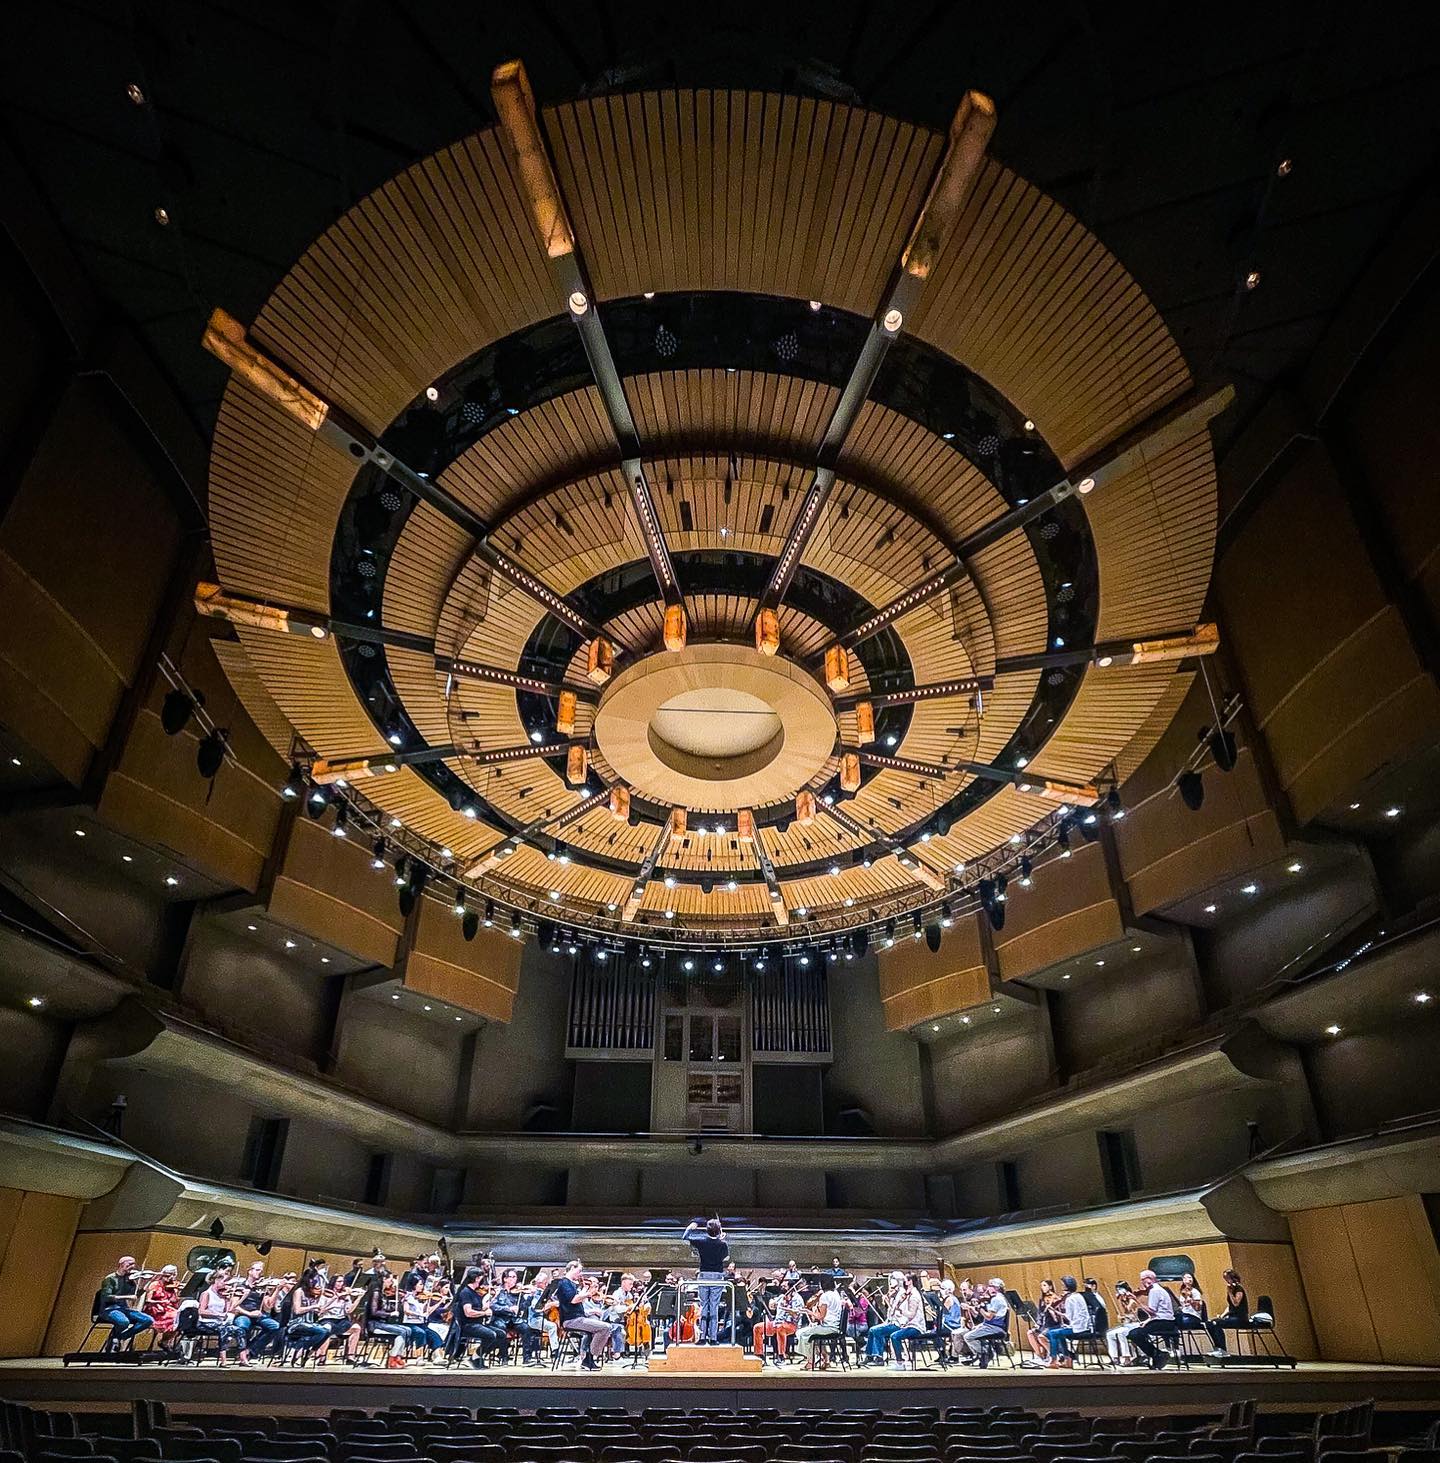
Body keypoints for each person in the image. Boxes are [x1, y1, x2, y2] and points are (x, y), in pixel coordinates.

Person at [555, 1258, 612, 1369]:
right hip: (571, 1320)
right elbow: (573, 1300)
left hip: (578, 1318)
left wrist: (585, 1290)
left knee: (600, 1326)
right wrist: (588, 1294)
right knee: (605, 1327)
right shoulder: (564, 1282)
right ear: (572, 1268)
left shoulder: (572, 1284)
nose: (580, 1274)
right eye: (579, 1271)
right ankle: (589, 1357)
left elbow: (578, 1298)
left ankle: (588, 1357)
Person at [683, 1218, 731, 1344]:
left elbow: (685, 1237)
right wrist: (721, 1239)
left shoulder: (702, 1241)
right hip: (717, 1277)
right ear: (718, 1231)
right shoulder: (723, 1244)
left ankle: (703, 1337)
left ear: (707, 1230)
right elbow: (725, 1257)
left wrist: (690, 1227)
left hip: (704, 1276)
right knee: (714, 1306)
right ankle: (713, 1338)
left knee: (704, 1306)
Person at [868, 1272, 926, 1368]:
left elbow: (909, 1314)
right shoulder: (905, 1294)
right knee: (873, 1330)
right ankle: (871, 1356)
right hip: (903, 1323)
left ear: (909, 1282)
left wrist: (899, 1309)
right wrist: (889, 1301)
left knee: (885, 1333)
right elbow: (894, 1311)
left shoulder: (911, 1295)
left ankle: (891, 1360)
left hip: (909, 1325)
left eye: (904, 1280)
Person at [97, 1256, 153, 1350]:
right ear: (121, 1264)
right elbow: (106, 1297)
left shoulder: (129, 1280)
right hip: (109, 1309)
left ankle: (119, 1337)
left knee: (148, 1320)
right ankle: (116, 1338)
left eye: (134, 1264)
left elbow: (135, 1296)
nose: (132, 1266)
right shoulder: (110, 1279)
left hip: (123, 1309)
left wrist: (143, 1286)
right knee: (124, 1322)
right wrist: (126, 1297)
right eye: (130, 1264)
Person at [1129, 1269, 1180, 1369]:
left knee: (1134, 1334)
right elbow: (1156, 1314)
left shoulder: (1154, 1291)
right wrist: (1147, 1321)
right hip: (1166, 1321)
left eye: (1142, 1279)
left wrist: (1136, 1300)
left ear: (1149, 1279)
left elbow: (1152, 1311)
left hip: (1164, 1322)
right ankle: (1157, 1355)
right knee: (1136, 1332)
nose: (1141, 1282)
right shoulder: (1159, 1289)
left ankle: (1157, 1354)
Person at [958, 1278, 1010, 1365]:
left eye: (990, 1286)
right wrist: (980, 1325)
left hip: (994, 1328)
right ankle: (983, 1353)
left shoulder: (997, 1299)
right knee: (971, 1331)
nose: (988, 1288)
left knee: (968, 1337)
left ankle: (985, 1353)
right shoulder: (998, 1298)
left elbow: (989, 1317)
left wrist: (980, 1308)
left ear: (996, 1288)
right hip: (991, 1326)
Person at [1044, 1275, 1092, 1368]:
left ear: (1067, 1286)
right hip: (1084, 1326)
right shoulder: (1078, 1296)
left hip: (1078, 1328)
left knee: (1052, 1333)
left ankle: (1053, 1360)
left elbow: (1069, 1317)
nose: (1061, 1286)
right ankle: (1068, 1360)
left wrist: (1055, 1311)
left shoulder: (1069, 1299)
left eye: (1063, 1284)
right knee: (1060, 1333)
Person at [796, 1282, 844, 1367]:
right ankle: (826, 1358)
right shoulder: (836, 1294)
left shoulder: (825, 1296)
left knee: (804, 1335)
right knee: (802, 1332)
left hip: (829, 1327)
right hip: (835, 1326)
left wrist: (809, 1312)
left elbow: (820, 1317)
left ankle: (811, 1361)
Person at [1206, 1268, 1250, 1356]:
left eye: (1227, 1279)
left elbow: (1236, 1303)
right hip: (1232, 1316)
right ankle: (1217, 1347)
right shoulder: (1232, 1289)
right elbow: (1230, 1307)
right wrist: (1222, 1316)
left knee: (1216, 1324)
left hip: (1240, 1318)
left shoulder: (1238, 1289)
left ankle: (1223, 1349)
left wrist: (1230, 1293)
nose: (1227, 1281)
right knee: (1210, 1323)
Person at [141, 1265, 181, 1350]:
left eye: (174, 1275)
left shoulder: (172, 1286)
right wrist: (160, 1302)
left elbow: (174, 1302)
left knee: (181, 1317)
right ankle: (164, 1341)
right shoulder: (155, 1284)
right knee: (175, 1317)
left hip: (168, 1309)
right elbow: (148, 1301)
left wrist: (176, 1293)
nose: (171, 1277)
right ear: (163, 1274)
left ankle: (165, 1341)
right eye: (169, 1275)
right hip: (154, 1309)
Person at [1027, 1279, 1061, 1363]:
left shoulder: (1055, 1298)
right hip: (1043, 1325)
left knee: (1041, 1336)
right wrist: (1038, 1324)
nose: (1042, 1287)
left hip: (1052, 1325)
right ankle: (1040, 1356)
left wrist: (1051, 1309)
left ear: (1050, 1287)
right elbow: (1040, 1314)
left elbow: (1057, 1316)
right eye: (1041, 1286)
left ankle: (1053, 1355)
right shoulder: (1042, 1299)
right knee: (1030, 1333)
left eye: (1045, 1285)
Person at [1106, 1281, 1141, 1362]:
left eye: (1120, 1289)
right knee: (1109, 1334)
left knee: (1121, 1334)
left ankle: (1126, 1357)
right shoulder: (1122, 1299)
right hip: (1126, 1325)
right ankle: (1114, 1358)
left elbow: (1127, 1310)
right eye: (1117, 1289)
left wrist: (1122, 1301)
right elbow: (1122, 1314)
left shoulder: (1132, 1299)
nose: (1118, 1291)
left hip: (1134, 1325)